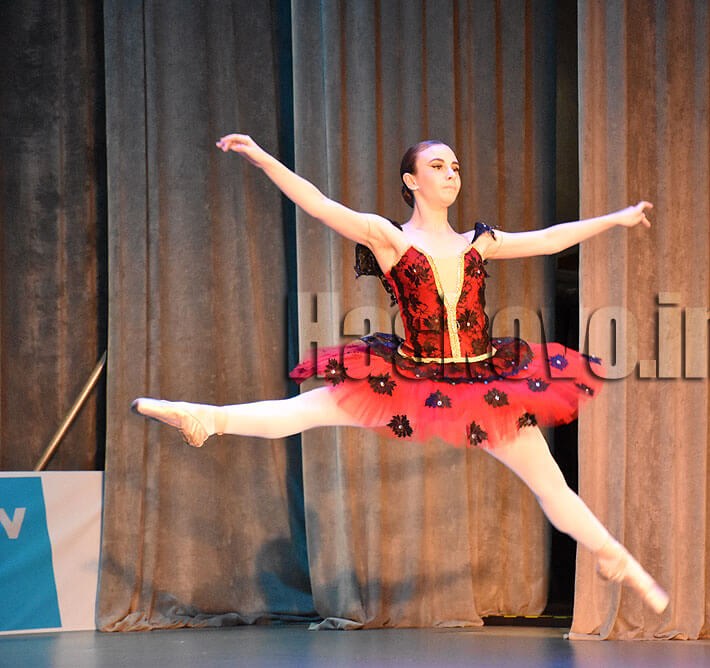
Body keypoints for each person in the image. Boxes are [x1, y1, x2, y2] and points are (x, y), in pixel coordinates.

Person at [132, 135, 668, 614]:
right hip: (410, 377)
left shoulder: (480, 242)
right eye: (438, 166)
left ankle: (612, 556)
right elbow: (317, 204)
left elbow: (551, 238)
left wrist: (616, 219)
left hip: (484, 383)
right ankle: (205, 419)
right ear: (412, 182)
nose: (451, 173)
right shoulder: (388, 238)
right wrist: (263, 159)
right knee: (304, 412)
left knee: (551, 485)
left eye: (455, 166)